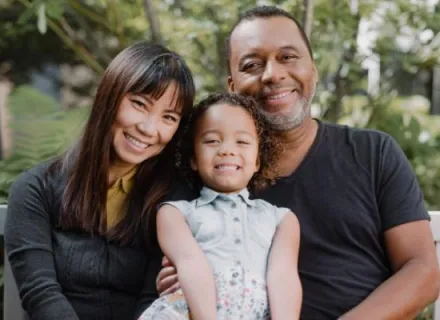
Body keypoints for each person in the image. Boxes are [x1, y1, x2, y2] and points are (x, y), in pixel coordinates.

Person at [156, 6, 440, 320]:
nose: (272, 74)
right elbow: (175, 269)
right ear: (233, 87)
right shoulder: (210, 172)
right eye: (252, 64)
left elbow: (423, 271)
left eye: (288, 57)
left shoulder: (373, 152)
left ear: (313, 70)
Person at [4, 41, 195, 320]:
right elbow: (41, 293)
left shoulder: (172, 201)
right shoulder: (36, 189)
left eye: (169, 117)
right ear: (110, 96)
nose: (148, 129)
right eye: (140, 104)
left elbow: (153, 301)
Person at [139, 92, 301, 320]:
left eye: (242, 142)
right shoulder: (175, 213)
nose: (227, 150)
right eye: (212, 141)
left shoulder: (282, 219)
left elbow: (283, 277)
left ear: (257, 161)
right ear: (193, 158)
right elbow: (190, 264)